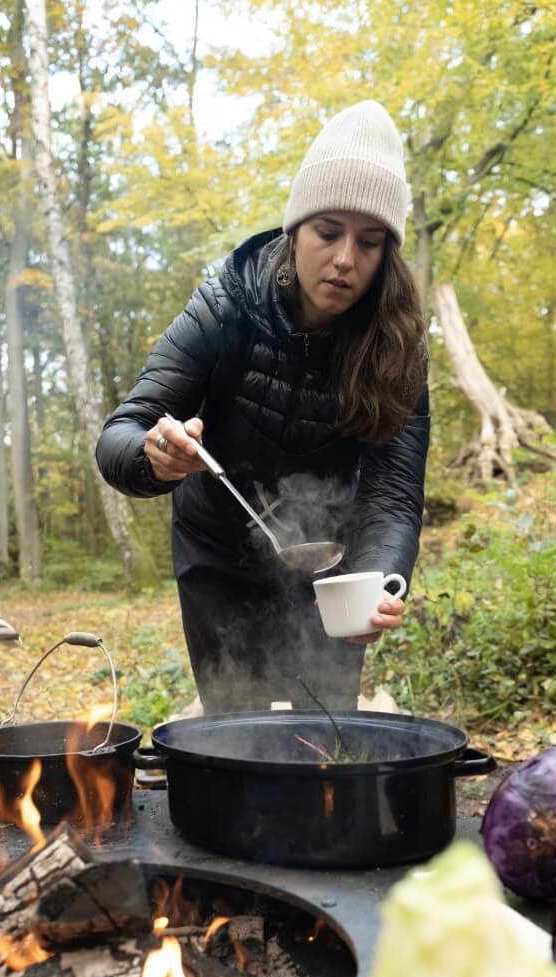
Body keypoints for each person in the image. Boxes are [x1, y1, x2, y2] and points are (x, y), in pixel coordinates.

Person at [97, 101, 429, 714]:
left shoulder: (398, 342)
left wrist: (382, 579)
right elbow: (122, 432)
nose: (345, 259)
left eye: (370, 241)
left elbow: (394, 494)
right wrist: (154, 459)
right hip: (217, 551)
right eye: (328, 232)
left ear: (387, 252)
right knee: (236, 730)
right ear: (294, 231)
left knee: (324, 736)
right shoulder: (225, 305)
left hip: (334, 565)